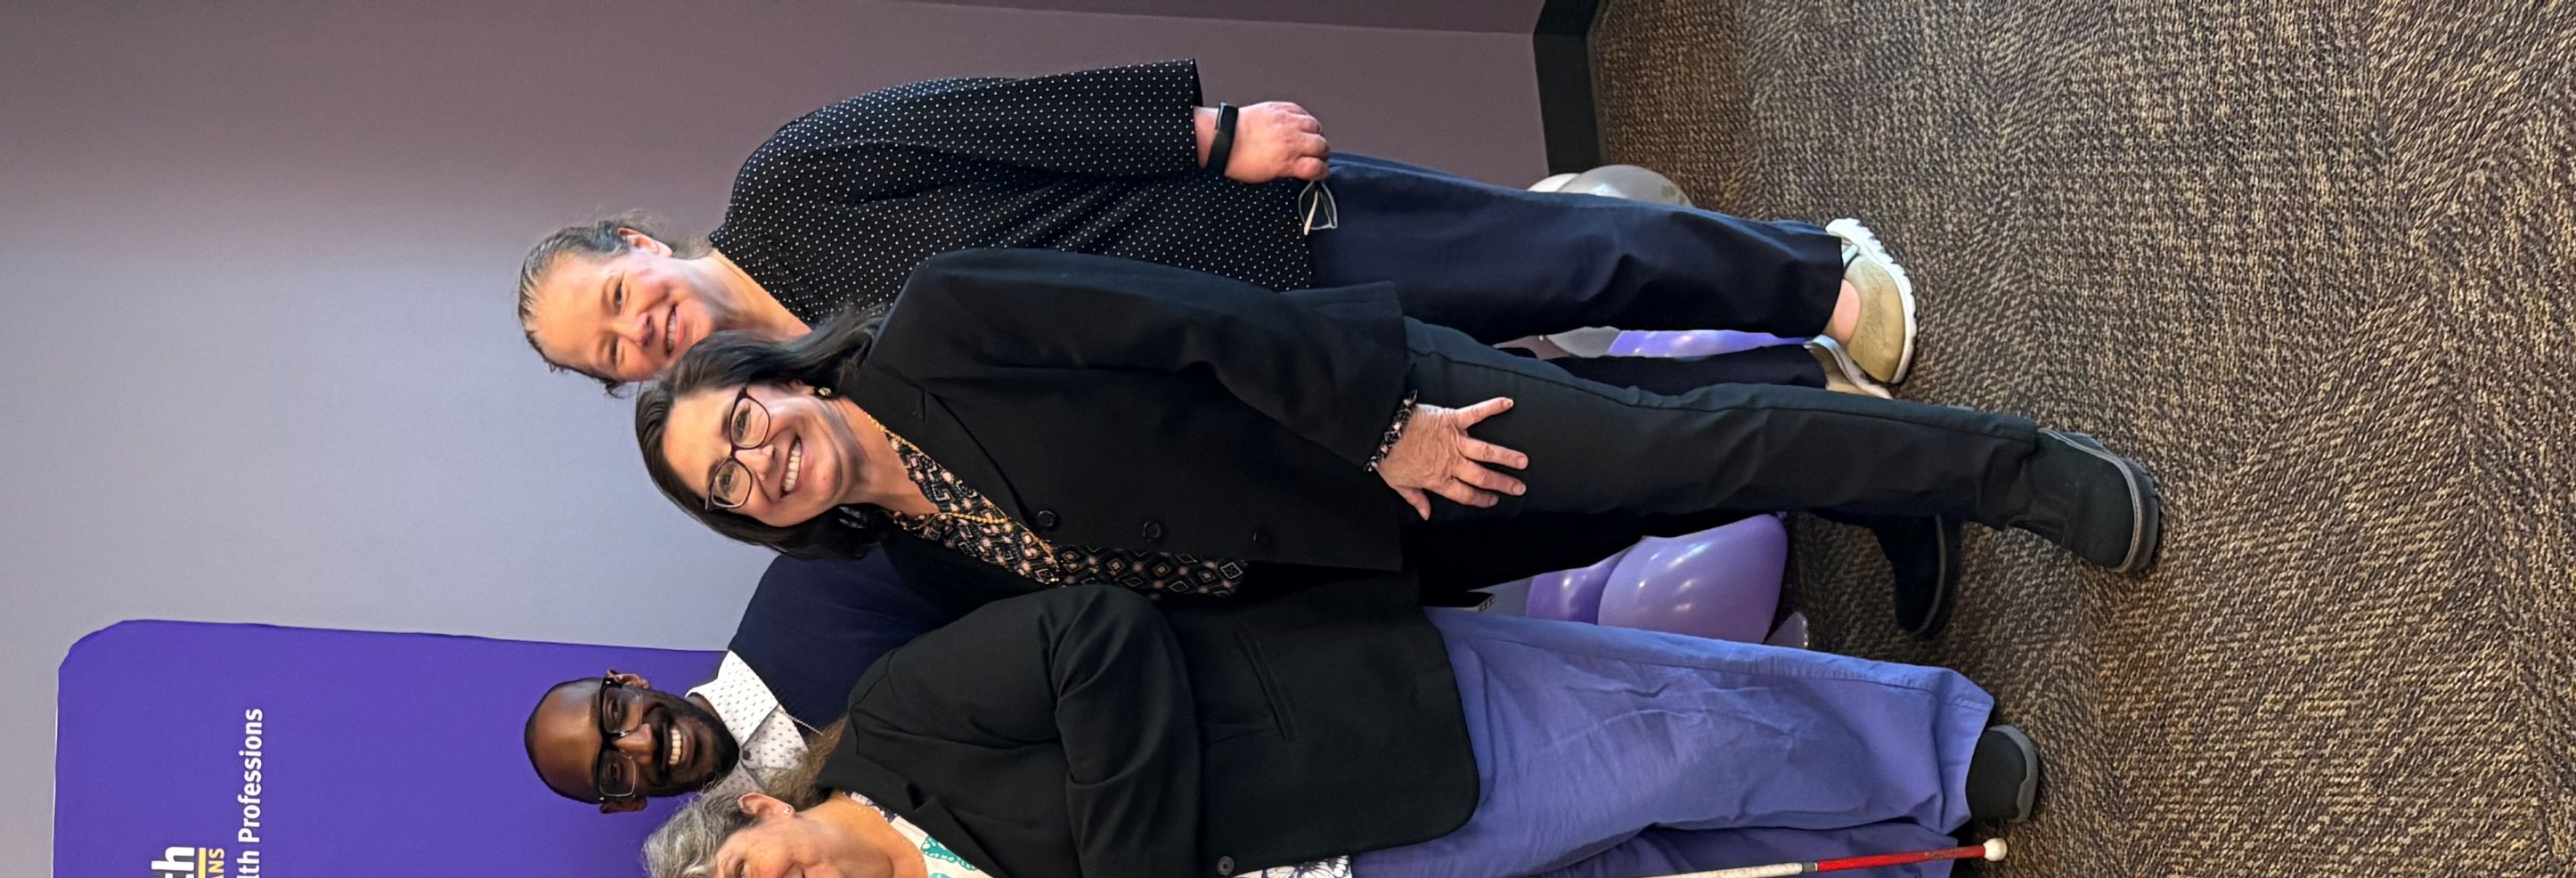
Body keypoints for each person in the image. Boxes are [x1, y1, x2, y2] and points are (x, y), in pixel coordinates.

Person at [638, 575, 2031, 878]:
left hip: (1348, 741)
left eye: (753, 877)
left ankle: (1935, 753)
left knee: (1664, 737)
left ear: (764, 810)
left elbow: (1094, 639)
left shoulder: (894, 722)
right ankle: (1909, 877)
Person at [632, 251, 2161, 638]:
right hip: (1368, 551)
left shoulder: (942, 324)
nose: (757, 459)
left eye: (744, 419)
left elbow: (1197, 320)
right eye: (728, 481)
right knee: (1653, 489)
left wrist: (1389, 427)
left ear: (776, 374)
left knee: (1667, 461)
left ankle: (2013, 470)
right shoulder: (913, 550)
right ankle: (1863, 471)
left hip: (1383, 422)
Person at [520, 67, 1910, 403]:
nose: (639, 332)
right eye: (610, 356)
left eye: (616, 298)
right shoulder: (797, 403)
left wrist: (1207, 131)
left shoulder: (786, 184)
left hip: (1242, 232)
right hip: (1245, 367)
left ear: (640, 241)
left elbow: (992, 120)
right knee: (1546, 386)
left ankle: (1817, 276)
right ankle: (1800, 385)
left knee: (1569, 260)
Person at [520, 543, 994, 806]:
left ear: (631, 683)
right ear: (625, 803)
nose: (643, 743)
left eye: (617, 713)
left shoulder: (806, 591)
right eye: (613, 768)